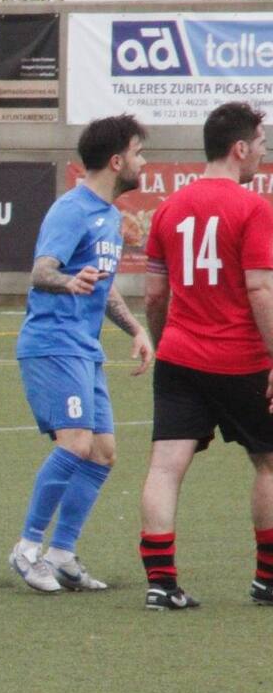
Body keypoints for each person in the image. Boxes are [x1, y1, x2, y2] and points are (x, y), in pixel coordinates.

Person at [9, 115, 154, 593]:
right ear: (117, 161)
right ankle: (27, 549)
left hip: (83, 349)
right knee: (74, 444)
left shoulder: (111, 217)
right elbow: (41, 271)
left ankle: (62, 553)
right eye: (137, 152)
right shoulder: (71, 210)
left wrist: (134, 328)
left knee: (103, 453)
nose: (142, 161)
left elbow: (105, 288)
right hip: (52, 344)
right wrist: (67, 280)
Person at [139, 101, 273, 610]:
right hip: (242, 360)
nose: (263, 153)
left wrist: (163, 338)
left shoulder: (169, 208)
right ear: (239, 148)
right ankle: (267, 581)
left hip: (179, 358)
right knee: (268, 464)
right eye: (260, 144)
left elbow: (155, 296)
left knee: (165, 466)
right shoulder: (255, 207)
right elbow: (261, 290)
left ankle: (161, 583)